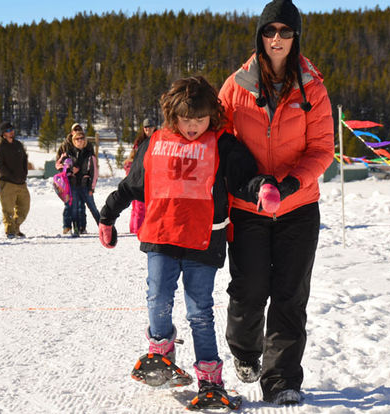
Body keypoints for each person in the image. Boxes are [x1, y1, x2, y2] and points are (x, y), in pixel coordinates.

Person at [98, 76, 262, 410]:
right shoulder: (156, 142)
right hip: (162, 235)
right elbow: (132, 185)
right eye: (185, 119)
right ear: (173, 115)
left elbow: (246, 178)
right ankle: (161, 353)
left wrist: (264, 188)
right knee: (157, 295)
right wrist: (107, 215)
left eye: (200, 119)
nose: (192, 126)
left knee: (199, 310)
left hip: (203, 240)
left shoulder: (222, 144)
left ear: (211, 116)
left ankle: (210, 380)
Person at [218, 0, 335, 405]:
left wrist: (291, 184)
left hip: (298, 207)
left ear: (296, 37)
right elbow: (221, 140)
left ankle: (281, 379)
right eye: (270, 31)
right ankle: (245, 352)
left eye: (285, 32)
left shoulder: (313, 87)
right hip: (248, 208)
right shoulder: (236, 85)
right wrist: (249, 184)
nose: (277, 39)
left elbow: (323, 149)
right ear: (260, 36)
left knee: (289, 295)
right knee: (249, 290)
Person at [55, 130, 100, 236]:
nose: (79, 141)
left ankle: (104, 227)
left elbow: (95, 173)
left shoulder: (90, 155)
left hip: (85, 186)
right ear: (73, 140)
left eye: (81, 138)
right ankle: (75, 228)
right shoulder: (68, 153)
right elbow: (58, 165)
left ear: (85, 141)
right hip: (73, 186)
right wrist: (69, 170)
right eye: (77, 139)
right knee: (74, 208)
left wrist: (91, 188)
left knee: (93, 208)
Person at [0, 121, 30, 239]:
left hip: (21, 182)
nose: (11, 132)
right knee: (8, 209)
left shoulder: (18, 144)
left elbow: (25, 159)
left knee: (24, 207)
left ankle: (15, 227)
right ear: (3, 133)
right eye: (8, 130)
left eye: (12, 129)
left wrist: (24, 173)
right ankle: (10, 230)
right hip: (7, 182)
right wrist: (11, 176)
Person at [122, 118, 156, 234]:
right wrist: (130, 171)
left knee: (150, 207)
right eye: (146, 127)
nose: (148, 129)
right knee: (138, 206)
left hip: (152, 178)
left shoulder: (158, 140)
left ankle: (145, 229)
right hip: (138, 177)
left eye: (150, 127)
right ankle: (136, 230)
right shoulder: (139, 142)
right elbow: (131, 160)